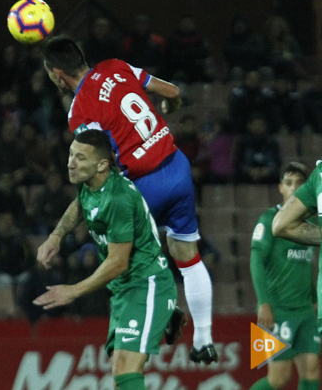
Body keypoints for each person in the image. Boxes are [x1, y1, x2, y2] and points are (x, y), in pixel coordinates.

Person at [41, 35, 214, 363]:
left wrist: (58, 233)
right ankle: (204, 338)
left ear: (56, 74)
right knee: (187, 256)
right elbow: (173, 93)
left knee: (114, 247)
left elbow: (96, 171)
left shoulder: (80, 113)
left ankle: (164, 311)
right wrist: (171, 107)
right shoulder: (115, 67)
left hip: (143, 184)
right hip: (176, 167)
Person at [34, 130, 178, 390]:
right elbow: (80, 203)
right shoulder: (90, 182)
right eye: (70, 155)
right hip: (125, 289)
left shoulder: (118, 199)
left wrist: (74, 290)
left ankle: (163, 309)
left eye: (80, 157)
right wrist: (56, 235)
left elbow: (118, 262)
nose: (70, 163)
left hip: (146, 283)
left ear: (102, 164)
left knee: (125, 369)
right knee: (119, 370)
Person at [250, 162, 320, 390]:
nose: (294, 188)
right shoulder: (269, 219)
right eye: (288, 183)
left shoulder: (311, 224)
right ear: (280, 188)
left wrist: (314, 299)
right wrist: (263, 303)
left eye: (299, 184)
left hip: (305, 311)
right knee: (279, 378)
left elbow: (306, 266)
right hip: (276, 310)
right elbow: (256, 261)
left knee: (312, 369)